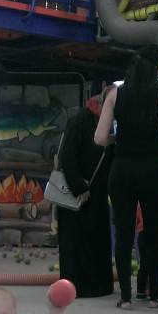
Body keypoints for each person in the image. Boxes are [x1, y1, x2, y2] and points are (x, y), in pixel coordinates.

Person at [94, 44, 158, 310]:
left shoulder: (114, 94)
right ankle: (155, 296)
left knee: (123, 233)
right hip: (153, 168)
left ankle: (126, 298)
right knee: (155, 233)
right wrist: (157, 151)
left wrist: (121, 139)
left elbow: (99, 138)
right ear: (155, 68)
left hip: (122, 169)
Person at [55, 93, 114, 298]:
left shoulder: (107, 124)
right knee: (75, 242)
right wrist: (79, 186)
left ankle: (98, 286)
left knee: (96, 240)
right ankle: (75, 287)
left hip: (97, 194)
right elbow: (67, 155)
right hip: (76, 193)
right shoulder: (80, 120)